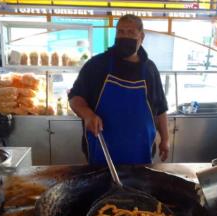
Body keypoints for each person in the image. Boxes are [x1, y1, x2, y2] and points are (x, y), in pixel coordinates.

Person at [69, 14, 169, 165]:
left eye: (130, 32)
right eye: (121, 32)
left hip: (141, 155)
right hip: (102, 153)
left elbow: (161, 108)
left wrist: (165, 140)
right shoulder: (97, 65)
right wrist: (87, 115)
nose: (124, 36)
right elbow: (75, 98)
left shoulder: (150, 69)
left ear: (141, 36)